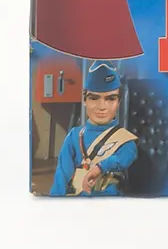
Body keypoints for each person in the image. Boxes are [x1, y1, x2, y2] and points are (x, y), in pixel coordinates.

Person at [49, 61, 138, 196]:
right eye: (94, 98)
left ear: (118, 102)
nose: (102, 107)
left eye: (110, 99)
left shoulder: (125, 140)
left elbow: (125, 157)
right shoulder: (74, 135)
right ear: (85, 100)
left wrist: (100, 167)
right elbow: (61, 178)